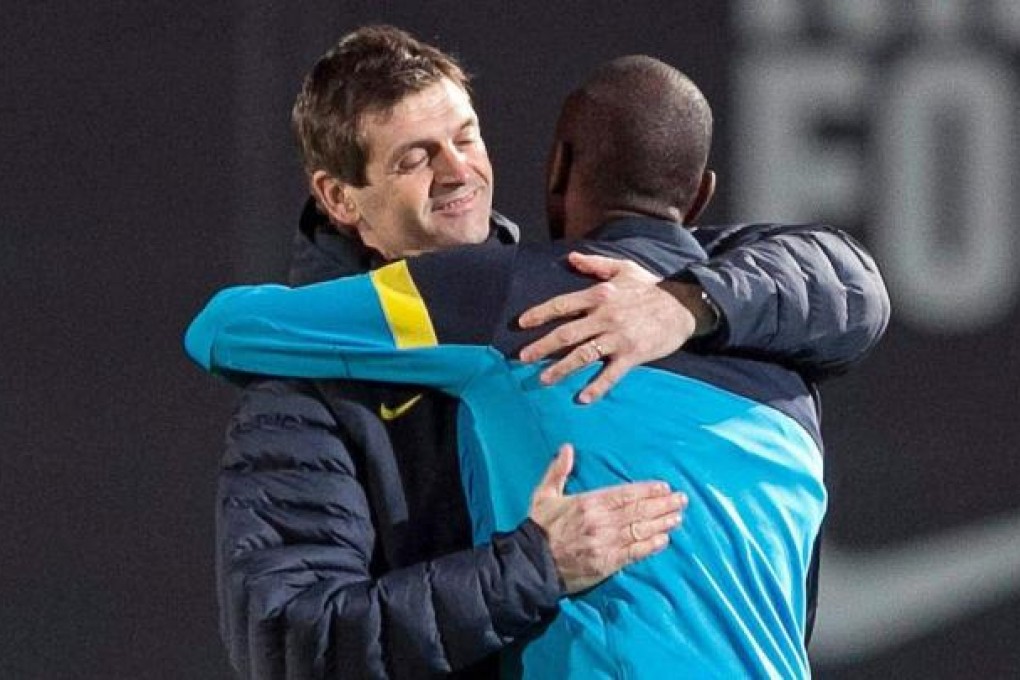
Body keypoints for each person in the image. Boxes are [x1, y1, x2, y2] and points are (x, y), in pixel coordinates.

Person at [187, 50, 886, 678]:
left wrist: (688, 304)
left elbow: (847, 281)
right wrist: (529, 568)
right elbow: (289, 643)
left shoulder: (637, 296)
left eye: (465, 138)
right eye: (414, 158)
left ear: (553, 167)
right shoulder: (306, 394)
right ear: (340, 197)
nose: (457, 171)